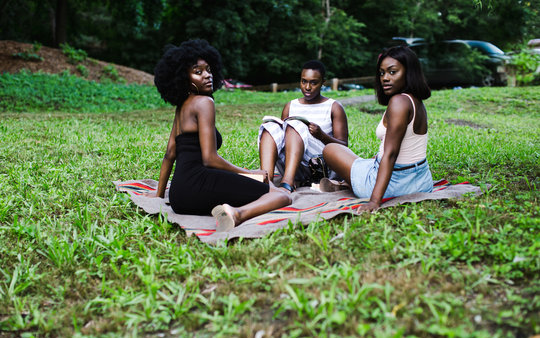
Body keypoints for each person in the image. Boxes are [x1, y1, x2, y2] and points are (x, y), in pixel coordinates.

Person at [148, 39, 291, 231]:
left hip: (178, 196)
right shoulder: (205, 102)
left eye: (208, 69)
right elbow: (209, 159)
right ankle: (237, 215)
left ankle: (232, 206)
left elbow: (169, 155)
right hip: (198, 184)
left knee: (259, 186)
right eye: (198, 72)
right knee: (280, 195)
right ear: (183, 77)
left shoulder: (182, 106)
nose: (207, 75)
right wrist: (249, 172)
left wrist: (159, 195)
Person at [322, 45, 433, 212]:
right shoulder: (415, 101)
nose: (385, 78)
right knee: (366, 161)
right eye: (382, 73)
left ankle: (347, 185)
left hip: (395, 185)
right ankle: (345, 183)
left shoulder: (399, 102)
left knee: (331, 149)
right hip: (421, 181)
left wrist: (374, 201)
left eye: (392, 72)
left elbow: (391, 154)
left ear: (409, 72)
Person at [258, 60, 348, 192]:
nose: (307, 87)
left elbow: (344, 146)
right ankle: (267, 180)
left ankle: (287, 183)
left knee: (294, 125)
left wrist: (321, 135)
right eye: (303, 81)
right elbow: (282, 140)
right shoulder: (291, 105)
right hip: (295, 165)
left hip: (320, 167)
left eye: (313, 82)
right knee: (270, 126)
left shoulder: (334, 107)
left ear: (323, 82)